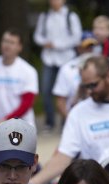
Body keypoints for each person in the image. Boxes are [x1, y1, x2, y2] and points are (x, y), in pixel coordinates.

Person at [33, 56, 109, 184]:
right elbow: (63, 157)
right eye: (86, 86)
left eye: (93, 85)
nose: (89, 91)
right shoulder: (78, 112)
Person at [34, 0, 82, 130]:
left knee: (66, 92)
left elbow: (76, 37)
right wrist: (45, 42)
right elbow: (37, 35)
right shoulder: (44, 16)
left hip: (66, 59)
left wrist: (57, 45)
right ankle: (50, 121)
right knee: (46, 91)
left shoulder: (71, 16)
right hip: (49, 59)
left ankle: (65, 121)